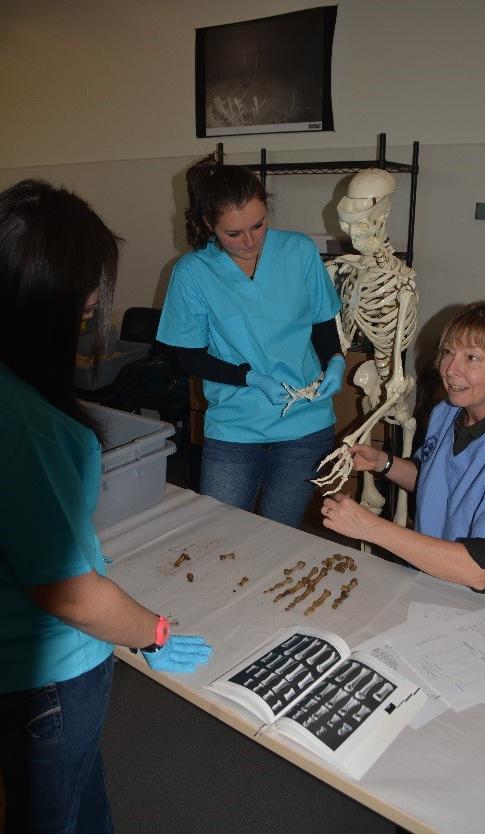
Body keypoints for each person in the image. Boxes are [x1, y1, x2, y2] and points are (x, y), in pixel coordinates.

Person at [0, 180, 213, 834]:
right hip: (50, 677)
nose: (97, 299)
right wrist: (151, 631)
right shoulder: (25, 423)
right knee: (55, 813)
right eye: (91, 284)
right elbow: (66, 592)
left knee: (79, 804)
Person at [321, 300, 485, 616]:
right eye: (448, 352)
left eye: (472, 357)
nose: (451, 369)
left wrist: (369, 527)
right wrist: (383, 463)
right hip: (440, 584)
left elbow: (478, 570)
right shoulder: (449, 413)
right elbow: (436, 480)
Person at [157, 156, 345, 528]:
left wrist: (335, 360)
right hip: (235, 428)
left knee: (280, 538)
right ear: (209, 225)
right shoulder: (192, 274)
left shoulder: (298, 251)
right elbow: (189, 357)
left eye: (258, 226)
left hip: (305, 427)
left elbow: (323, 322)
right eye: (233, 234)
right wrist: (250, 378)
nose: (250, 241)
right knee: (219, 533)